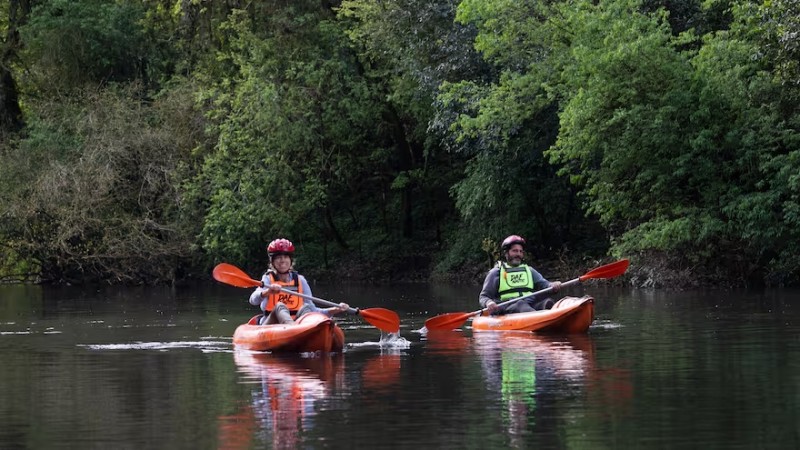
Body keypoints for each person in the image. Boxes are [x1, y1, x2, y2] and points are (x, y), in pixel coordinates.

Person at [249, 238, 348, 325]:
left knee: (306, 307)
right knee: (280, 306)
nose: (282, 260)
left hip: (297, 324)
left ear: (291, 260)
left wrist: (335, 310)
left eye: (285, 257)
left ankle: (306, 328)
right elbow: (253, 300)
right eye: (278, 257)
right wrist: (267, 292)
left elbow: (313, 310)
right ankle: (292, 327)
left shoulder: (300, 280)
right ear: (272, 262)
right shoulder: (267, 279)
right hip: (271, 323)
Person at [479, 235, 561, 315]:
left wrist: (553, 285)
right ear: (506, 253)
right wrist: (488, 302)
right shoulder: (496, 273)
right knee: (520, 305)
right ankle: (540, 319)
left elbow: (546, 285)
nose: (518, 254)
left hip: (530, 305)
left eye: (521, 251)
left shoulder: (530, 270)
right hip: (508, 307)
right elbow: (483, 297)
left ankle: (551, 319)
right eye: (515, 251)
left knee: (547, 302)